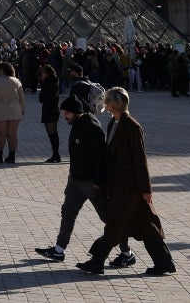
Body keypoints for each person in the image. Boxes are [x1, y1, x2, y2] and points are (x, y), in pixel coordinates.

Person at [78, 88, 177, 277]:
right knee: (148, 227)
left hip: (130, 188)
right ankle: (164, 263)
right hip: (120, 186)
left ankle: (96, 262)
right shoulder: (114, 123)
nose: (105, 105)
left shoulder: (132, 126)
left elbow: (140, 160)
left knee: (115, 225)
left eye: (107, 102)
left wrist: (146, 189)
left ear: (113, 104)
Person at [34, 96, 133, 265]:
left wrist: (97, 182)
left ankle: (127, 253)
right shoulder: (77, 124)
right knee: (68, 212)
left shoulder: (92, 127)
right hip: (76, 181)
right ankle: (59, 250)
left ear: (77, 112)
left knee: (108, 218)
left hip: (92, 183)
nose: (65, 116)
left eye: (67, 113)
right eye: (63, 112)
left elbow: (100, 158)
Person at [0, 61, 25, 163]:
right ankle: (12, 156)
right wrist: (22, 109)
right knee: (12, 134)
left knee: (0, 135)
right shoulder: (17, 81)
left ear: (2, 70)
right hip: (15, 111)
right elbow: (22, 98)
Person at [39, 64, 62, 163]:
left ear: (47, 73)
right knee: (52, 133)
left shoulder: (50, 83)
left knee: (52, 133)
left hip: (50, 110)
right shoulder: (50, 82)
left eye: (43, 73)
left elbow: (46, 98)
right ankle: (55, 154)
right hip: (50, 109)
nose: (41, 75)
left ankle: (56, 154)